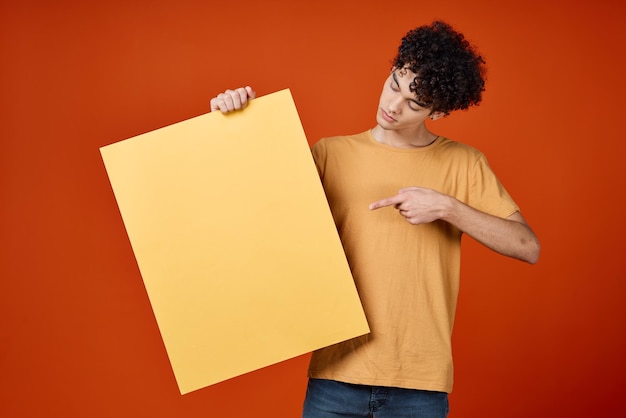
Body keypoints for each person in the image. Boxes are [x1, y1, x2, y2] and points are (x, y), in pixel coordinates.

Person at [210, 20, 540, 418]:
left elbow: (528, 247)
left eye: (414, 104)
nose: (393, 105)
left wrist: (447, 208)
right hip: (335, 376)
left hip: (421, 385)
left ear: (438, 110)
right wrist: (233, 124)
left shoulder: (465, 164)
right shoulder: (329, 154)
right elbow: (255, 218)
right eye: (395, 84)